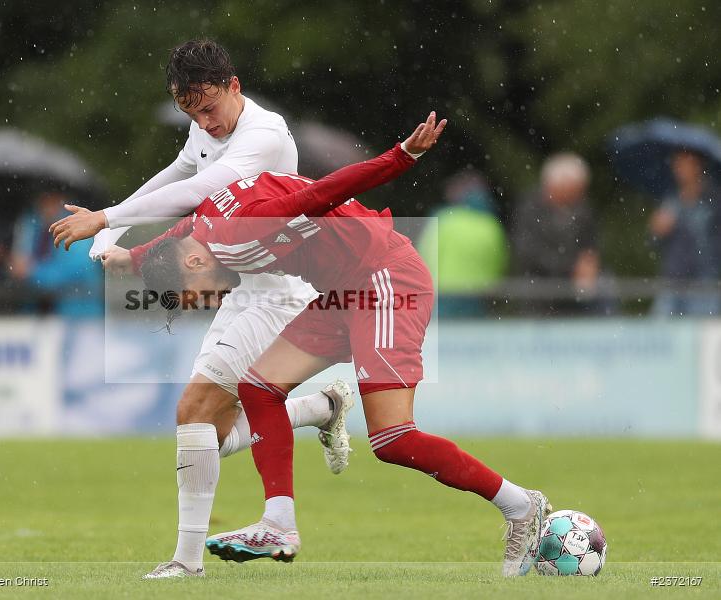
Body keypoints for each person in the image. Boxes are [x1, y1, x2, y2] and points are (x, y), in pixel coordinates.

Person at [124, 112, 552, 577]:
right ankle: (279, 524)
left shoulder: (238, 231)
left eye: (196, 294)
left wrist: (401, 156)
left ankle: (521, 506)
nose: (207, 301)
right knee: (259, 387)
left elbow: (324, 192)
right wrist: (133, 252)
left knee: (392, 439)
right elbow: (180, 228)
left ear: (193, 260)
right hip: (340, 292)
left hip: (384, 278)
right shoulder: (203, 232)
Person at [47, 39, 353, 578]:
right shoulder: (205, 123)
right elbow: (177, 172)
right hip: (244, 284)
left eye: (209, 108)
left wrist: (105, 218)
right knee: (204, 429)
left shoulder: (264, 134)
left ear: (234, 87)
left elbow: (199, 191)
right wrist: (113, 222)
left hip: (282, 288)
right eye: (191, 112)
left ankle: (187, 563)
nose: (204, 123)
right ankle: (318, 409)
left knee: (193, 413)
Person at [511, 152, 601, 315]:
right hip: (539, 298)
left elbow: (590, 245)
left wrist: (589, 262)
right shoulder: (530, 209)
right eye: (574, 190)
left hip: (575, 300)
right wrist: (571, 267)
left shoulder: (583, 210)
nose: (579, 195)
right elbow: (527, 251)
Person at [415, 169, 508, 318]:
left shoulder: (444, 219)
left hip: (443, 293)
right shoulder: (492, 225)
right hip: (478, 296)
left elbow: (424, 255)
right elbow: (499, 263)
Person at [649, 149, 721, 316]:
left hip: (704, 283)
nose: (679, 169)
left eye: (684, 163)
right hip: (673, 280)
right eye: (677, 164)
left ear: (697, 165)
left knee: (701, 336)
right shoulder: (670, 199)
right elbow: (653, 242)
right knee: (658, 332)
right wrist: (657, 230)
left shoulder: (715, 200)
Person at [9, 191, 102, 317]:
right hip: (41, 314)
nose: (45, 206)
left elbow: (73, 271)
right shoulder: (33, 227)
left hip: (77, 315)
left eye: (51, 200)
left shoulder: (79, 229)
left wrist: (31, 271)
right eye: (43, 201)